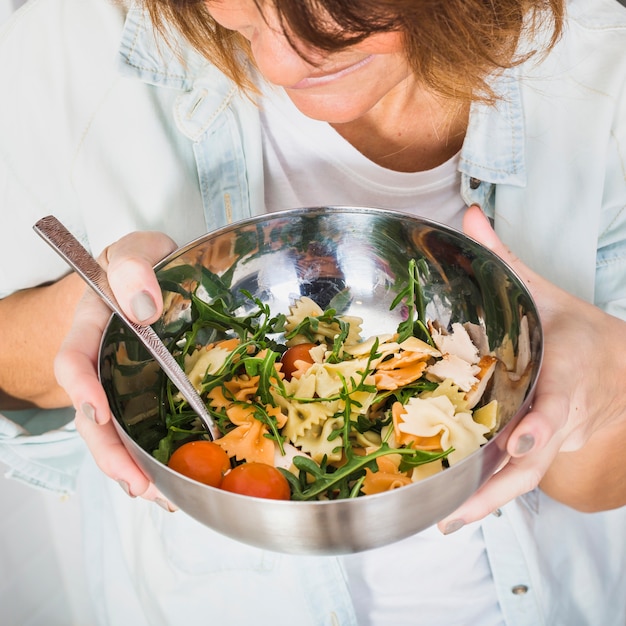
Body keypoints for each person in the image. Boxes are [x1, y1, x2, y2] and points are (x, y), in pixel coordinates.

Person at [1, 0, 625, 624]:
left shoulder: (599, 68)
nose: (274, 63)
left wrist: (606, 382)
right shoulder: (74, 37)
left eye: (329, 24)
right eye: (242, 20)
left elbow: (598, 488)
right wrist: (100, 321)